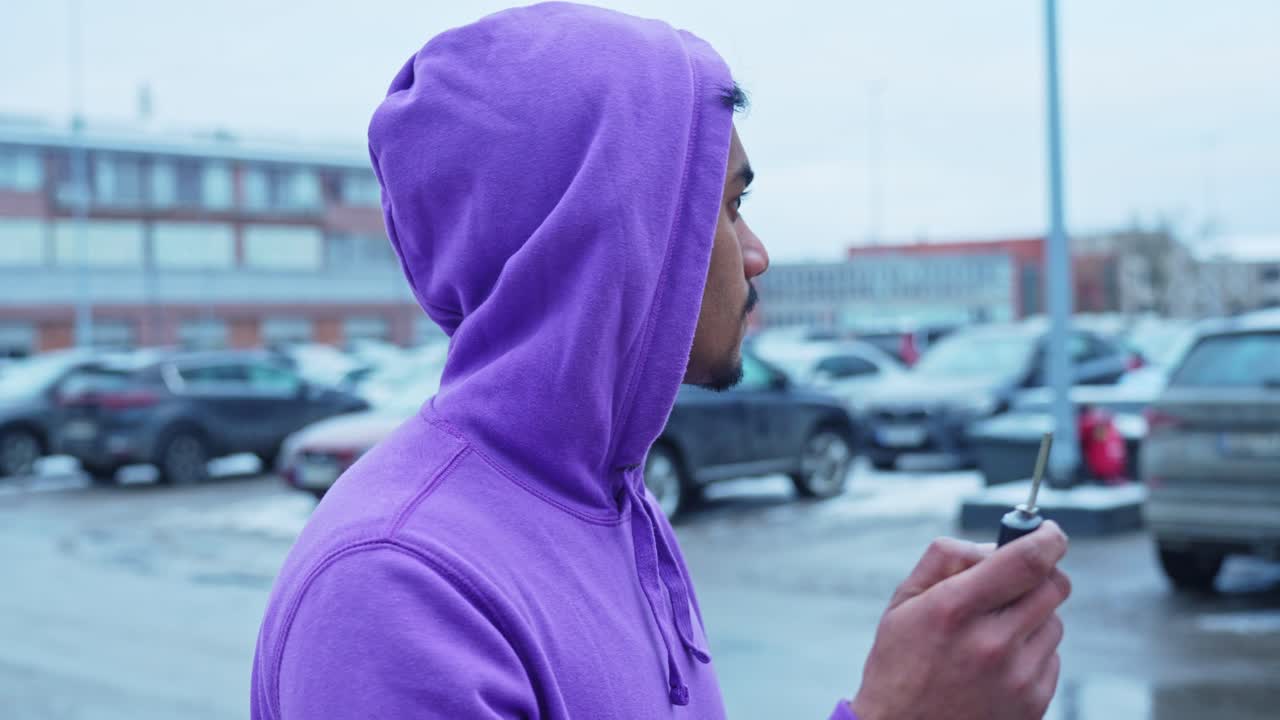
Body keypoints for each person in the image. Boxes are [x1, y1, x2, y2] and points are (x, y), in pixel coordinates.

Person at [250, 4, 1071, 718]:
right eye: (728, 207)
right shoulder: (399, 588)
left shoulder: (607, 499)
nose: (757, 255)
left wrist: (919, 678)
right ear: (614, 233)